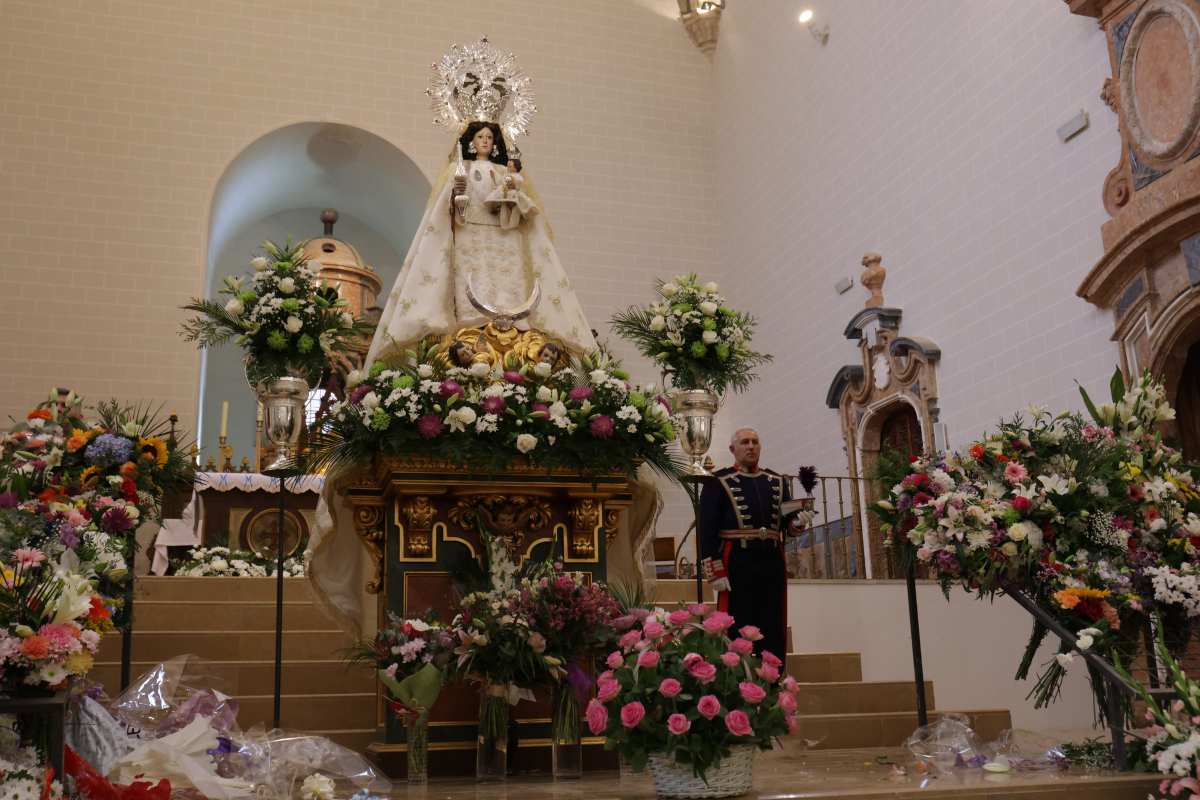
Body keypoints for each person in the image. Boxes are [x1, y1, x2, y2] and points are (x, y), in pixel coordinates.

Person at [365, 120, 595, 364]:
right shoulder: (463, 168)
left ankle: (514, 322)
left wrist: (512, 198)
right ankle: (471, 323)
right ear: (471, 142)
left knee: (508, 278)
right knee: (473, 278)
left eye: (489, 137)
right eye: (480, 137)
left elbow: (520, 203)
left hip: (504, 234)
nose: (485, 141)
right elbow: (449, 209)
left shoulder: (505, 172)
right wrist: (458, 199)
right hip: (471, 234)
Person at [698, 428, 814, 660]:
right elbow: (706, 530)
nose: (750, 446)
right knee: (736, 620)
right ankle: (736, 675)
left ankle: (772, 675)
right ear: (733, 449)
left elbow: (787, 524)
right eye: (744, 442)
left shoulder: (777, 481)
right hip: (736, 561)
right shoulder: (717, 482)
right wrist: (715, 570)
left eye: (754, 442)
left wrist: (797, 523)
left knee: (773, 618)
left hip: (772, 560)